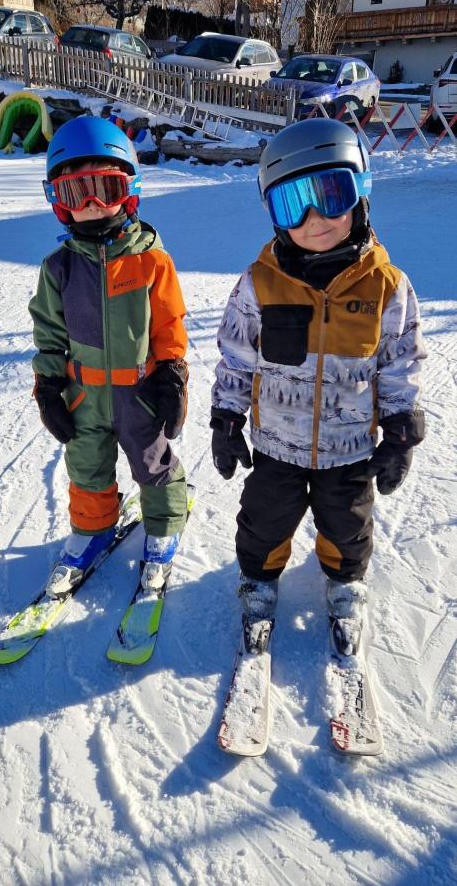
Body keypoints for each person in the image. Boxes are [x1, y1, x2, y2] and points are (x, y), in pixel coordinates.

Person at [211, 117, 426, 656]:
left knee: (348, 524)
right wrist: (226, 418)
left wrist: (401, 429)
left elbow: (399, 361)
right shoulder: (260, 283)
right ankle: (259, 579)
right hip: (277, 446)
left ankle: (345, 582)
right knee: (263, 520)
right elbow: (237, 356)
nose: (314, 220)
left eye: (330, 195)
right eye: (293, 205)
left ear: (361, 190)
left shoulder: (388, 287)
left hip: (349, 447)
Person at [29, 115, 189, 596]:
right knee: (86, 467)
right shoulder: (58, 268)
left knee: (152, 462)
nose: (93, 204)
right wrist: (49, 386)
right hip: (83, 396)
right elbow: (49, 334)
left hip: (139, 393)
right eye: (78, 193)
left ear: (129, 190)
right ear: (59, 201)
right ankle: (93, 529)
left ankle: (163, 530)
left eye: (106, 188)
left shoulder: (151, 260)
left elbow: (168, 325)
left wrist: (173, 374)